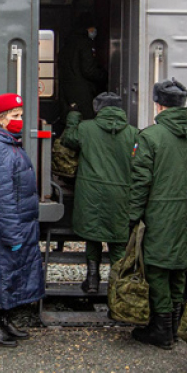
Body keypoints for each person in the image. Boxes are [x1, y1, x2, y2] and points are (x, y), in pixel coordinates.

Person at [127, 79, 187, 349]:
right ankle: (174, 327)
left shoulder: (150, 137)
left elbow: (141, 183)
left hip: (160, 213)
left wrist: (132, 216)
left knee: (157, 269)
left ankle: (161, 330)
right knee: (179, 269)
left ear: (159, 105)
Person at [0, 93, 45, 347]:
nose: (20, 120)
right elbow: (1, 198)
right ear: (1, 118)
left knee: (7, 273)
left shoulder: (6, 143)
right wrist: (12, 234)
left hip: (9, 224)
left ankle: (4, 322)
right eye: (15, 116)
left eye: (20, 116)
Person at [60, 92, 139, 294]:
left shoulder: (86, 129)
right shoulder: (133, 133)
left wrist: (73, 116)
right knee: (118, 241)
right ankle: (117, 288)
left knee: (92, 236)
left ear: (98, 109)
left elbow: (67, 139)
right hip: (120, 195)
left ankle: (92, 279)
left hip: (90, 194)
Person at [58, 12, 107, 122]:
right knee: (86, 122)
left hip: (68, 91)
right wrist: (105, 75)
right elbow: (88, 70)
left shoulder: (67, 44)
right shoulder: (85, 44)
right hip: (82, 93)